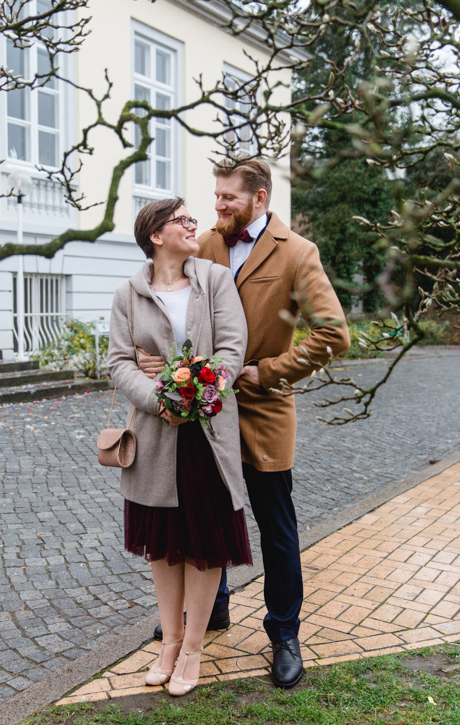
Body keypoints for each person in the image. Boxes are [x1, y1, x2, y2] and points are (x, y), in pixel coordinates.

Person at [138, 157, 351, 689]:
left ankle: (284, 633)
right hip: (203, 417)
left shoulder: (299, 254)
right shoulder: (205, 243)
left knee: (275, 527)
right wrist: (151, 361)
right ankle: (212, 612)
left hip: (260, 411)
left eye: (228, 197)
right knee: (203, 518)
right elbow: (166, 306)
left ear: (258, 198)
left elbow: (333, 335)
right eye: (214, 195)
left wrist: (266, 372)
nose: (216, 205)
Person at [107, 197, 252, 697]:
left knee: (205, 543)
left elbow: (232, 349)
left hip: (208, 434)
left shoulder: (214, 279)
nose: (194, 226)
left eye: (193, 219)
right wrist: (158, 398)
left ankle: (193, 647)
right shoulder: (129, 293)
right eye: (183, 221)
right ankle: (168, 643)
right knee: (164, 546)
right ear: (155, 235)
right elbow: (120, 362)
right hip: (155, 435)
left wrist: (201, 392)